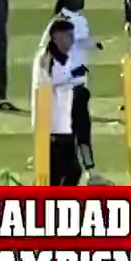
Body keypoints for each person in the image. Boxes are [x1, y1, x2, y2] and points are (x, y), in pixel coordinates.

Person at [32, 19, 111, 186]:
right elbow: (48, 84)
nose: (71, 41)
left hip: (62, 122)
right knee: (65, 172)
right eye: (68, 36)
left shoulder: (62, 58)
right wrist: (73, 77)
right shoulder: (47, 58)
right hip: (51, 125)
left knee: (67, 171)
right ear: (56, 37)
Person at [41, 0, 103, 176]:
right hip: (71, 85)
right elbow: (80, 42)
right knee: (80, 130)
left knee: (67, 132)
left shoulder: (58, 20)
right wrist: (94, 44)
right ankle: (88, 172)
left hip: (61, 86)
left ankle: (57, 172)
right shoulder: (74, 21)